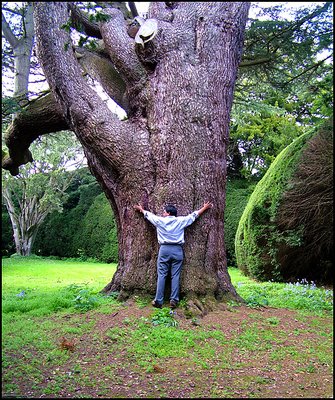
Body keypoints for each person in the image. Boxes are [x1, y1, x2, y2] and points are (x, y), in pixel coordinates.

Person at [133, 201, 213, 309]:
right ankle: (174, 300)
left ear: (168, 213)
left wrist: (141, 209)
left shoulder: (160, 221)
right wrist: (205, 208)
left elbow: (149, 216)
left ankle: (158, 300)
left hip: (164, 250)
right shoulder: (180, 221)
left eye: (164, 212)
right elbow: (194, 216)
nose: (163, 213)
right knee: (175, 275)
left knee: (162, 275)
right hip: (177, 250)